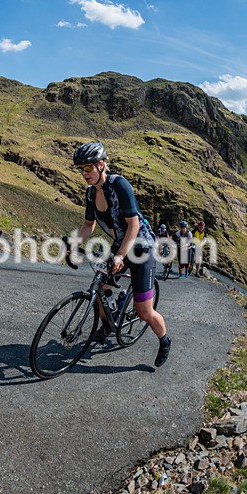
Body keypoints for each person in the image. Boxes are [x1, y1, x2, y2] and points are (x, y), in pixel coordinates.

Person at [72, 141, 172, 367]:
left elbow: (133, 225)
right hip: (121, 245)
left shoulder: (120, 185)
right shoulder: (90, 194)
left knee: (144, 311)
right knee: (99, 286)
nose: (84, 173)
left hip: (141, 247)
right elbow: (88, 225)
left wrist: (119, 256)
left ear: (101, 165)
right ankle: (109, 322)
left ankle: (164, 340)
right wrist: (72, 244)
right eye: (81, 169)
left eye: (88, 168)